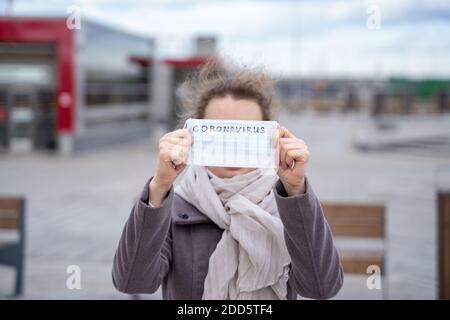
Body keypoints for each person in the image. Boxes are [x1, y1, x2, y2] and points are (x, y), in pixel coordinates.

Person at [112, 61, 343, 300]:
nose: (233, 148)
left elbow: (321, 287)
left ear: (270, 137)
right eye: (218, 134)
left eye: (247, 134)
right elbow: (131, 281)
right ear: (195, 136)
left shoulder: (289, 207)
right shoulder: (173, 205)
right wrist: (160, 185)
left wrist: (296, 190)